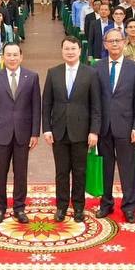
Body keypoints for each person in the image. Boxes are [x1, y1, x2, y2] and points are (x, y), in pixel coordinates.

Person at [42, 36, 101, 223]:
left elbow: (96, 105)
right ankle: (61, 206)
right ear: (62, 51)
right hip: (58, 131)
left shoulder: (90, 73)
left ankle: (78, 207)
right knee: (61, 172)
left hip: (81, 131)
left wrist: (94, 131)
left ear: (79, 51)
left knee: (79, 171)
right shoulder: (53, 73)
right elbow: (46, 104)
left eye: (73, 48)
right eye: (66, 49)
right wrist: (47, 129)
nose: (70, 52)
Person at [0, 42, 41, 225]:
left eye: (15, 55)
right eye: (8, 55)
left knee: (21, 173)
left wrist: (35, 133)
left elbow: (36, 107)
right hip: (0, 133)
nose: (12, 58)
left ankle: (19, 208)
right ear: (3, 57)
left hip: (23, 133)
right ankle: (0, 208)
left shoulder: (32, 77)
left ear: (21, 57)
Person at [94, 29, 135, 223]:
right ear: (105, 44)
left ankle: (130, 206)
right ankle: (106, 204)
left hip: (127, 127)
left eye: (118, 40)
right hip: (104, 127)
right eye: (110, 41)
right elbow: (93, 100)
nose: (114, 44)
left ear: (124, 42)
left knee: (128, 168)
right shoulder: (97, 67)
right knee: (105, 168)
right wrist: (94, 128)